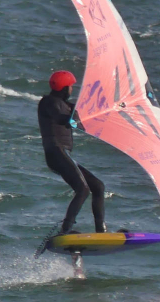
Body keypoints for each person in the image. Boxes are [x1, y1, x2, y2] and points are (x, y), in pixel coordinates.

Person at [38, 70, 106, 235]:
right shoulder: (48, 102)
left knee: (98, 186)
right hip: (55, 153)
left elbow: (81, 118)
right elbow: (60, 118)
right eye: (70, 87)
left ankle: (101, 231)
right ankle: (65, 230)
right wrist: (70, 120)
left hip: (63, 154)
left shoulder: (68, 106)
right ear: (64, 87)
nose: (72, 90)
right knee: (83, 189)